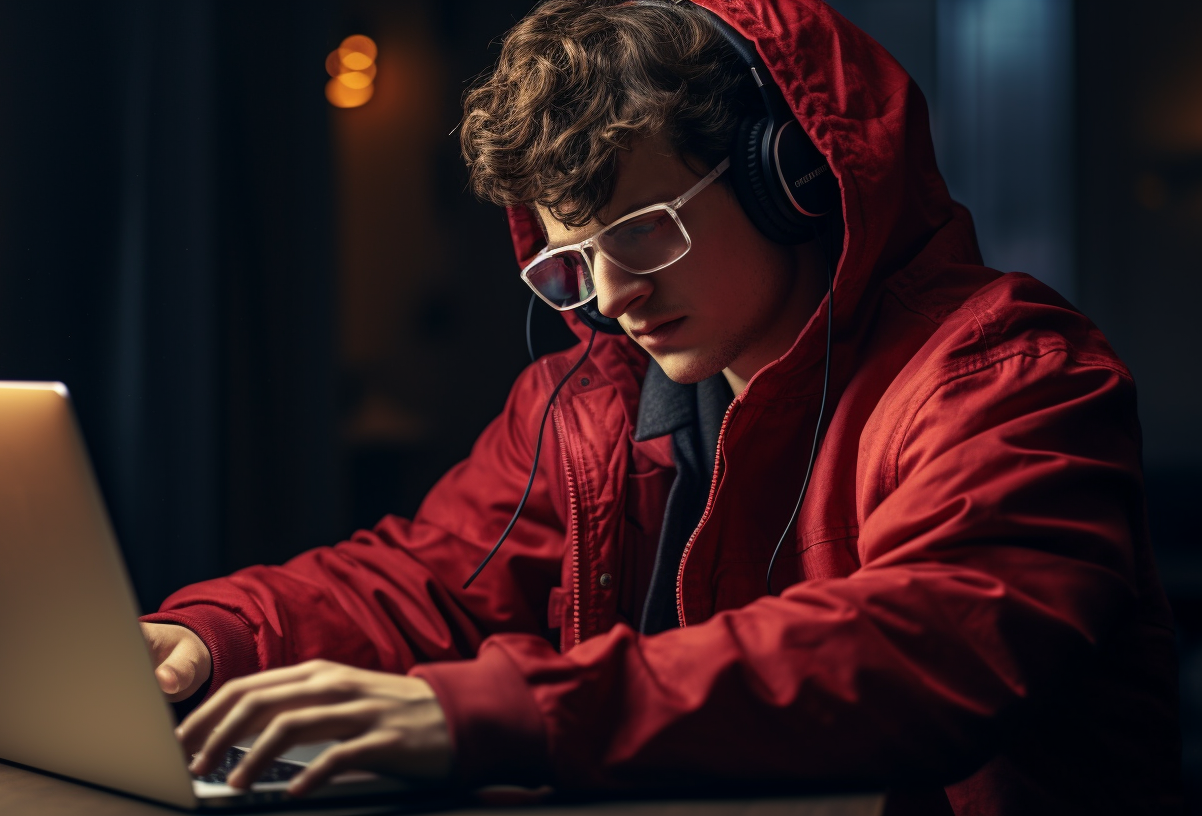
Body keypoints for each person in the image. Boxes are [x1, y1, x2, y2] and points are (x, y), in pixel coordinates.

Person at [139, 1, 1181, 812]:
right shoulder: (585, 403)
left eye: (640, 230)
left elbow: (929, 639)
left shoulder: (1009, 374)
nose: (610, 294)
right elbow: (433, 581)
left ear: (794, 181)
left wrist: (505, 713)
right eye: (572, 258)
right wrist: (218, 636)